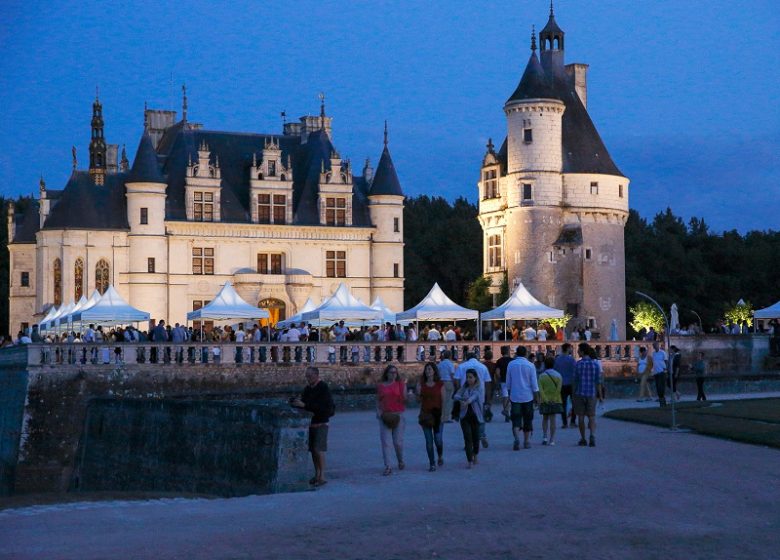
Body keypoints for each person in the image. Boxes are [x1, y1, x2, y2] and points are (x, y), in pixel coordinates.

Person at [290, 366, 334, 487]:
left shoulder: (323, 388)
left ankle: (322, 475)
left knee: (318, 449)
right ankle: (317, 474)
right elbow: (305, 404)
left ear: (316, 375)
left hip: (321, 422)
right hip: (311, 423)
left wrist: (304, 404)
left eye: (309, 376)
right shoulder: (308, 389)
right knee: (313, 450)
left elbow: (323, 407)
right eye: (306, 376)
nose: (307, 378)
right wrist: (297, 403)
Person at [454, 352, 491, 448]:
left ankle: (468, 442)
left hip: (464, 397)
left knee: (466, 420)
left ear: (466, 358)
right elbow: (487, 383)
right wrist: (488, 399)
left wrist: (458, 394)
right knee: (480, 417)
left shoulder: (461, 367)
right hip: (480, 395)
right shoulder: (483, 367)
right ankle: (482, 435)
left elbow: (457, 382)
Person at [505, 346, 539, 450]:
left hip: (515, 396)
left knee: (516, 418)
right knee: (527, 419)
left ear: (516, 353)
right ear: (526, 354)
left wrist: (509, 394)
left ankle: (516, 438)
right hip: (527, 396)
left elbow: (508, 382)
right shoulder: (530, 365)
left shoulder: (511, 364)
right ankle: (526, 441)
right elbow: (534, 384)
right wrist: (537, 398)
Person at [376, 364, 406, 476]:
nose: (393, 374)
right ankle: (388, 466)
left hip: (398, 415)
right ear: (387, 373)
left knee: (398, 442)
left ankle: (400, 460)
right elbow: (378, 400)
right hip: (385, 415)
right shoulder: (381, 386)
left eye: (395, 372)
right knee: (386, 442)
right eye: (391, 372)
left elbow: (405, 400)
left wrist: (409, 394)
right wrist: (378, 412)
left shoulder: (400, 384)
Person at [453, 369, 484, 469]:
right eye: (467, 377)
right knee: (467, 437)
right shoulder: (464, 387)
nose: (469, 379)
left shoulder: (478, 387)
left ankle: (475, 454)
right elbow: (456, 396)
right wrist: (461, 399)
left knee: (475, 437)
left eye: (471, 377)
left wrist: (467, 401)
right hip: (465, 416)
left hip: (475, 416)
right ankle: (469, 460)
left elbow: (474, 397)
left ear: (475, 378)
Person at [416, 362, 445, 471]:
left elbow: (444, 400)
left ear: (434, 371)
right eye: (426, 369)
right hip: (426, 415)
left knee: (438, 440)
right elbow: (418, 400)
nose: (428, 371)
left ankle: (440, 455)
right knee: (429, 441)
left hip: (437, 415)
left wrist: (444, 415)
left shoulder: (440, 384)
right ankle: (432, 463)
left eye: (430, 369)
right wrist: (417, 393)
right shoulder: (422, 384)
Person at [573, 343, 603, 447]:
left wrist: (573, 394)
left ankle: (583, 438)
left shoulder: (578, 364)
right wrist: (600, 396)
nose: (577, 352)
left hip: (580, 393)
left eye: (578, 350)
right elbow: (598, 382)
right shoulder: (595, 365)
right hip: (591, 393)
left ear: (582, 351)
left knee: (580, 417)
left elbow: (575, 381)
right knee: (591, 416)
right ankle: (592, 435)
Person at [538, 356, 563, 446]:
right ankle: (552, 439)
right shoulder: (558, 376)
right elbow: (558, 390)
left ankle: (545, 437)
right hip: (555, 400)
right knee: (553, 420)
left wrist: (546, 399)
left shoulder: (541, 376)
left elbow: (541, 390)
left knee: (545, 419)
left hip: (545, 401)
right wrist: (553, 399)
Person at [553, 343, 576, 428]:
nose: (571, 350)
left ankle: (564, 422)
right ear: (568, 349)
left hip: (561, 384)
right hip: (571, 383)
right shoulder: (571, 360)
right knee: (574, 403)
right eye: (570, 348)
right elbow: (575, 372)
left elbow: (555, 372)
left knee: (563, 404)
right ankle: (573, 421)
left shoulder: (557, 359)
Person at [495, 346, 514, 422]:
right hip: (512, 381)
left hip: (503, 380)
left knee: (505, 396)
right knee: (512, 397)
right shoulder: (512, 360)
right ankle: (510, 411)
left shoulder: (499, 361)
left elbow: (497, 372)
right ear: (508, 351)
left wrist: (499, 378)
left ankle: (506, 411)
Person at [438, 350, 456, 422]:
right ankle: (446, 418)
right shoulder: (450, 363)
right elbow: (452, 374)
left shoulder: (440, 364)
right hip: (448, 382)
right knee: (449, 401)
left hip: (441, 382)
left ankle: (441, 417)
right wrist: (454, 383)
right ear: (450, 356)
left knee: (442, 400)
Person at [651, 341, 668, 407]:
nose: (654, 347)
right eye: (653, 346)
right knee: (658, 386)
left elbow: (666, 361)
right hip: (656, 372)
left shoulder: (663, 353)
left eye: (655, 345)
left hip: (662, 372)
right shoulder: (653, 354)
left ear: (658, 345)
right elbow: (653, 363)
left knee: (662, 386)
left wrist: (665, 369)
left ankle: (663, 399)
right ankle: (661, 400)